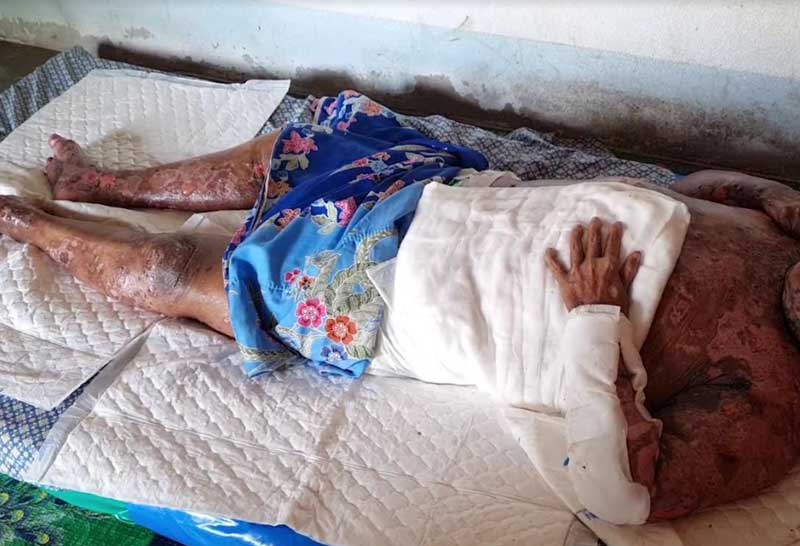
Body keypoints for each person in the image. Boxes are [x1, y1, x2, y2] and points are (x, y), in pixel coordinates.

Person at [1, 91, 799, 521]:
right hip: (457, 196)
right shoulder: (788, 225)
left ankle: (29, 224)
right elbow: (695, 188)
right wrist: (760, 191)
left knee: (176, 270)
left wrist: (595, 325)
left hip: (394, 296)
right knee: (299, 147)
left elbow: (622, 497)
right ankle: (101, 186)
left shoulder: (773, 409)